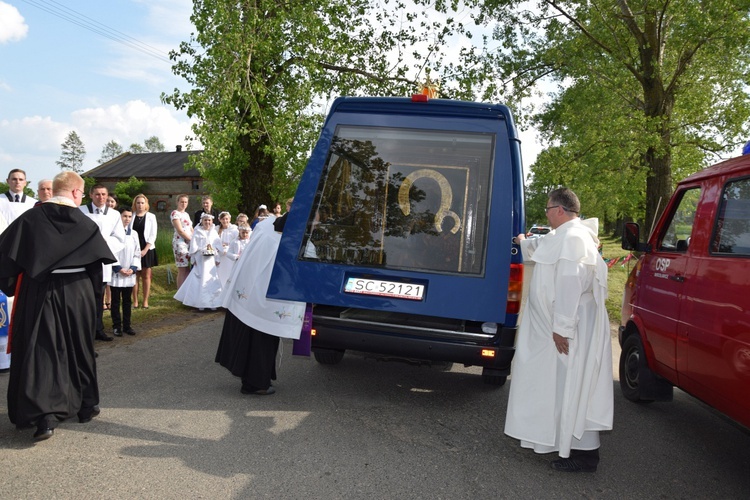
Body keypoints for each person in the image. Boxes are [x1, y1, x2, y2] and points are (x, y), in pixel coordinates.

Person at [0, 171, 116, 441]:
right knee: (80, 348)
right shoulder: (86, 224)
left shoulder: (30, 219)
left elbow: (6, 258)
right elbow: (96, 269)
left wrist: (11, 283)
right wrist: (93, 301)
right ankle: (87, 406)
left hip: (40, 292)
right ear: (76, 192)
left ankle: (45, 417)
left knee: (42, 352)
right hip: (78, 293)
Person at [505, 187, 613, 473]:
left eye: (547, 209)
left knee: (572, 385)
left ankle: (584, 455)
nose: (546, 214)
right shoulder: (564, 236)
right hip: (562, 326)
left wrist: (561, 328)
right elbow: (541, 247)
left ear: (560, 210)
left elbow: (570, 284)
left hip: (571, 327)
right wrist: (521, 241)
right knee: (561, 385)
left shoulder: (574, 239)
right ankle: (560, 441)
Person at [215, 213, 305, 395]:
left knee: (251, 337)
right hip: (266, 298)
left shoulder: (265, 227)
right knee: (261, 340)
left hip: (249, 292)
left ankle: (252, 380)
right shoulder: (290, 241)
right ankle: (257, 383)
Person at [80, 184, 126, 342]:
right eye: (97, 194)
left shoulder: (114, 215)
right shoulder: (81, 211)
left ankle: (98, 329)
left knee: (99, 296)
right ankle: (85, 332)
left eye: (104, 194)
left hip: (102, 260)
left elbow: (120, 238)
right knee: (85, 297)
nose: (101, 197)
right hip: (84, 260)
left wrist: (102, 244)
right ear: (91, 195)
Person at [174, 213, 223, 310]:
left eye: (209, 220)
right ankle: (200, 303)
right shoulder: (197, 232)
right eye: (205, 220)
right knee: (200, 277)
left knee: (211, 278)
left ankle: (213, 302)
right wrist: (193, 258)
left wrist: (217, 258)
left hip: (211, 260)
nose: (207, 222)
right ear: (202, 221)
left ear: (212, 221)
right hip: (200, 259)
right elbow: (193, 247)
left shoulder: (214, 232)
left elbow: (218, 246)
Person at [111, 208, 141, 337]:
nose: (127, 219)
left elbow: (137, 252)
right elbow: (111, 252)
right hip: (117, 273)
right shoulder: (113, 234)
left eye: (129, 216)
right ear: (119, 217)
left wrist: (133, 268)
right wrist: (118, 268)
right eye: (125, 216)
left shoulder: (134, 234)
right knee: (116, 301)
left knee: (127, 301)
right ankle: (116, 326)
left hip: (129, 273)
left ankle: (127, 326)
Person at [129, 194, 158, 309]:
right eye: (138, 203)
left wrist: (145, 249)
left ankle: (145, 301)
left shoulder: (151, 216)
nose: (140, 205)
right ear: (135, 204)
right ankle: (135, 301)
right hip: (133, 248)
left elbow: (153, 234)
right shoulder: (131, 216)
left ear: (146, 204)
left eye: (142, 203)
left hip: (147, 248)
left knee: (146, 275)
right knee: (134, 275)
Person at [171, 194, 193, 289]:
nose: (184, 204)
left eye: (185, 202)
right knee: (182, 268)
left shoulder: (186, 214)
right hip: (180, 242)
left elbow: (191, 228)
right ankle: (180, 291)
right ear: (177, 202)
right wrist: (190, 239)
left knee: (188, 268)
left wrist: (196, 239)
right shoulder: (175, 213)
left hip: (189, 242)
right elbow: (180, 230)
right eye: (182, 202)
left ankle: (186, 290)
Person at [216, 211, 238, 286]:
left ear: (230, 219)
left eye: (226, 219)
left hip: (229, 254)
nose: (225, 221)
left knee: (229, 271)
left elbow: (236, 241)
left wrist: (228, 246)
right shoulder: (217, 229)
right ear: (220, 220)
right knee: (220, 272)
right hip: (220, 254)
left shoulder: (234, 229)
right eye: (223, 219)